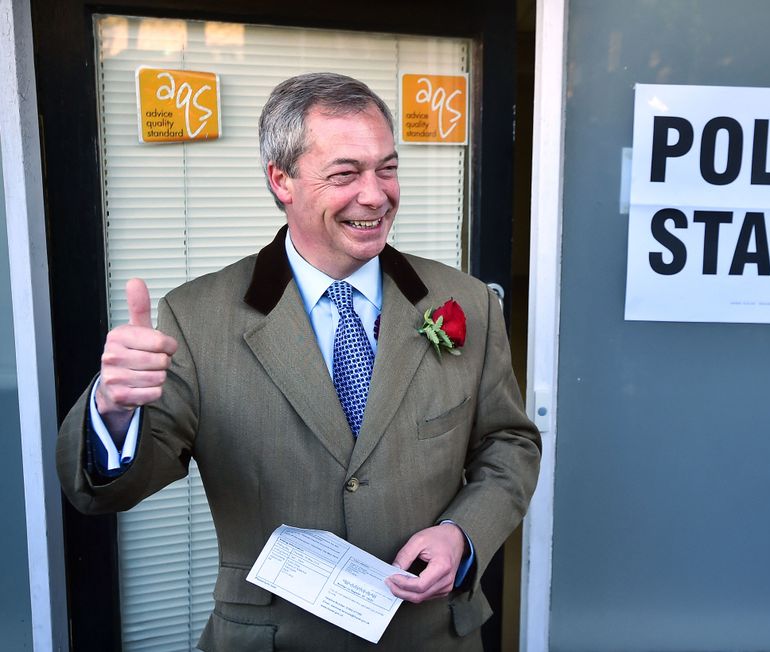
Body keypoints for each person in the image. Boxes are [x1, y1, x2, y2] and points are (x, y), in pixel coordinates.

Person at [57, 72, 541, 651]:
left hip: (432, 635)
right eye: (345, 174)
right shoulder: (198, 316)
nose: (375, 194)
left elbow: (510, 443)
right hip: (273, 639)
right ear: (281, 179)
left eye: (387, 168)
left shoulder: (465, 304)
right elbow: (104, 492)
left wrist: (464, 533)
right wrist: (112, 410)